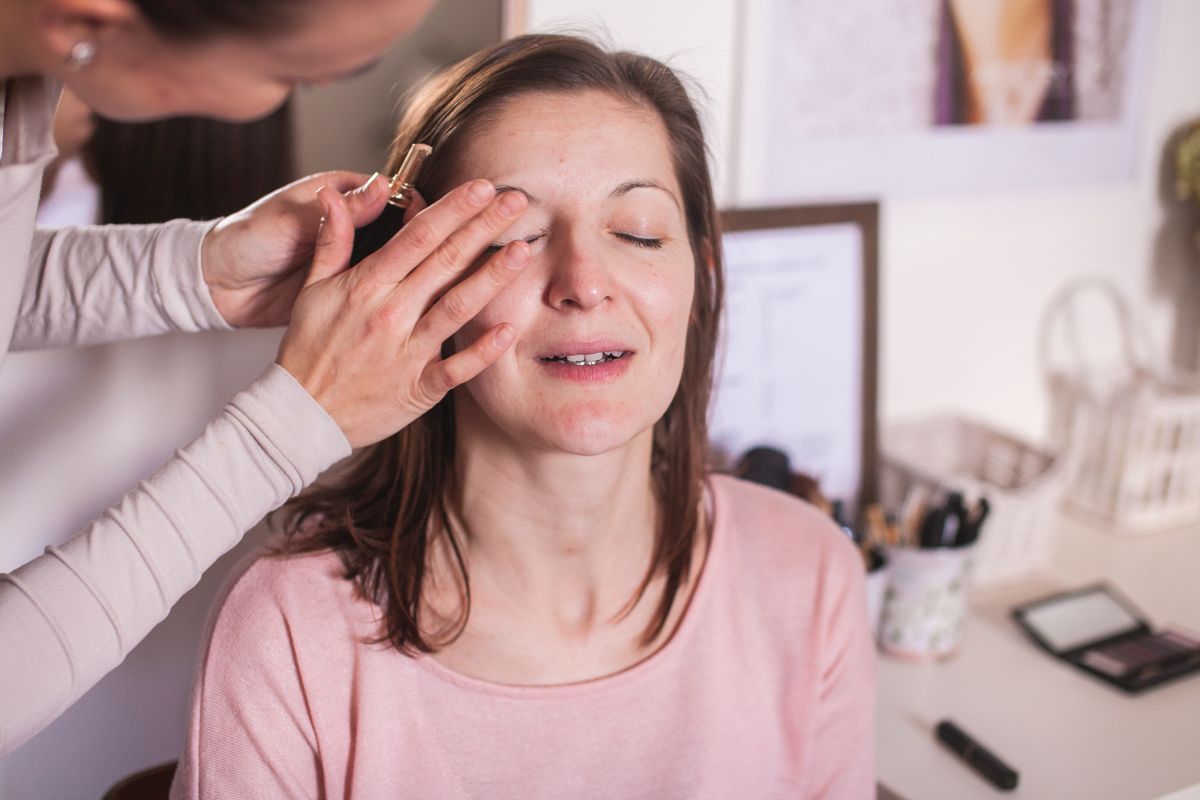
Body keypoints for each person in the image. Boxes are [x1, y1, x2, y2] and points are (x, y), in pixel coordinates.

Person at [174, 34, 876, 799]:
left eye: (637, 233)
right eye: (514, 237)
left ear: (702, 274)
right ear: (417, 281)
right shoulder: (287, 630)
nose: (583, 283)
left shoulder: (811, 576)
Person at [0, 0, 537, 757]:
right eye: (294, 76)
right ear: (88, 24)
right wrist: (292, 425)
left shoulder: (22, 79)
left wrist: (199, 270)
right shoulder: (292, 618)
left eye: (639, 234)